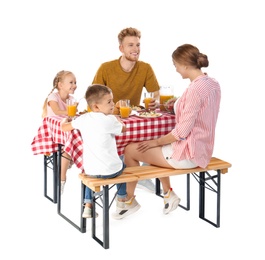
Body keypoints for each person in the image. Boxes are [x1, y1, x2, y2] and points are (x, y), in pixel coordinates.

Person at [112, 43, 221, 219]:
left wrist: (155, 142)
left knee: (131, 150)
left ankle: (128, 201)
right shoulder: (212, 83)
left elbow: (181, 132)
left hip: (188, 154)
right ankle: (168, 194)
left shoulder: (194, 89)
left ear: (185, 65)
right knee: (150, 149)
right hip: (204, 150)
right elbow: (200, 111)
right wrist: (175, 104)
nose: (176, 70)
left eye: (176, 65)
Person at [92, 27, 160, 193]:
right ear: (121, 48)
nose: (135, 49)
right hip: (109, 118)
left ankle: (142, 175)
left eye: (137, 44)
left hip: (132, 118)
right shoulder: (106, 68)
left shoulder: (145, 68)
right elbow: (93, 98)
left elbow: (155, 94)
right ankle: (119, 185)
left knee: (158, 133)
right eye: (130, 45)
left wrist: (154, 102)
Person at [61, 84, 129, 218]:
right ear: (96, 106)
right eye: (109, 102)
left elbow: (64, 127)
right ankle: (121, 201)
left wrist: (65, 119)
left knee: (89, 173)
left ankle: (88, 206)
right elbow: (124, 129)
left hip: (91, 171)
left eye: (112, 100)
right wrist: (118, 120)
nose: (113, 104)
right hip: (112, 172)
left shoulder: (83, 119)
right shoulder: (109, 120)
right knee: (122, 163)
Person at [42, 70, 77, 194]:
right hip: (52, 133)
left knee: (70, 147)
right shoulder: (53, 97)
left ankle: (66, 164)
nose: (75, 85)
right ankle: (62, 178)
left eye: (75, 82)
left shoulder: (71, 99)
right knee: (67, 150)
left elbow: (71, 118)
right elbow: (57, 112)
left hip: (65, 132)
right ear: (60, 85)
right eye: (71, 82)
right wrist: (72, 113)